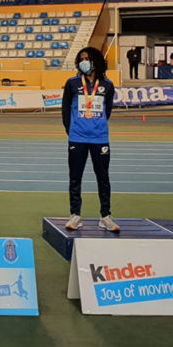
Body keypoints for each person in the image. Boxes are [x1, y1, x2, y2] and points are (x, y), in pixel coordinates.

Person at [61, 46, 118, 231]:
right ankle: (75, 215)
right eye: (81, 59)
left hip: (100, 138)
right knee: (75, 177)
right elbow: (65, 110)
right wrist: (72, 131)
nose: (83, 62)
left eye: (86, 58)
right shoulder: (72, 83)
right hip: (77, 138)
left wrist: (97, 125)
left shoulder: (107, 85)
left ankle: (106, 216)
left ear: (95, 61)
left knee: (103, 178)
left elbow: (106, 111)